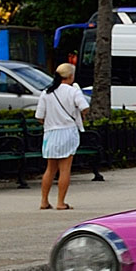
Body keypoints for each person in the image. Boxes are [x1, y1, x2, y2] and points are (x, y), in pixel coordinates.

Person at [35, 62, 89, 210]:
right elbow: (85, 107)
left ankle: (44, 201)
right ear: (70, 76)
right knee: (65, 169)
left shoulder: (47, 92)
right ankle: (60, 202)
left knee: (50, 169)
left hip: (51, 133)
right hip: (67, 132)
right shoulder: (73, 91)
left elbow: (39, 116)